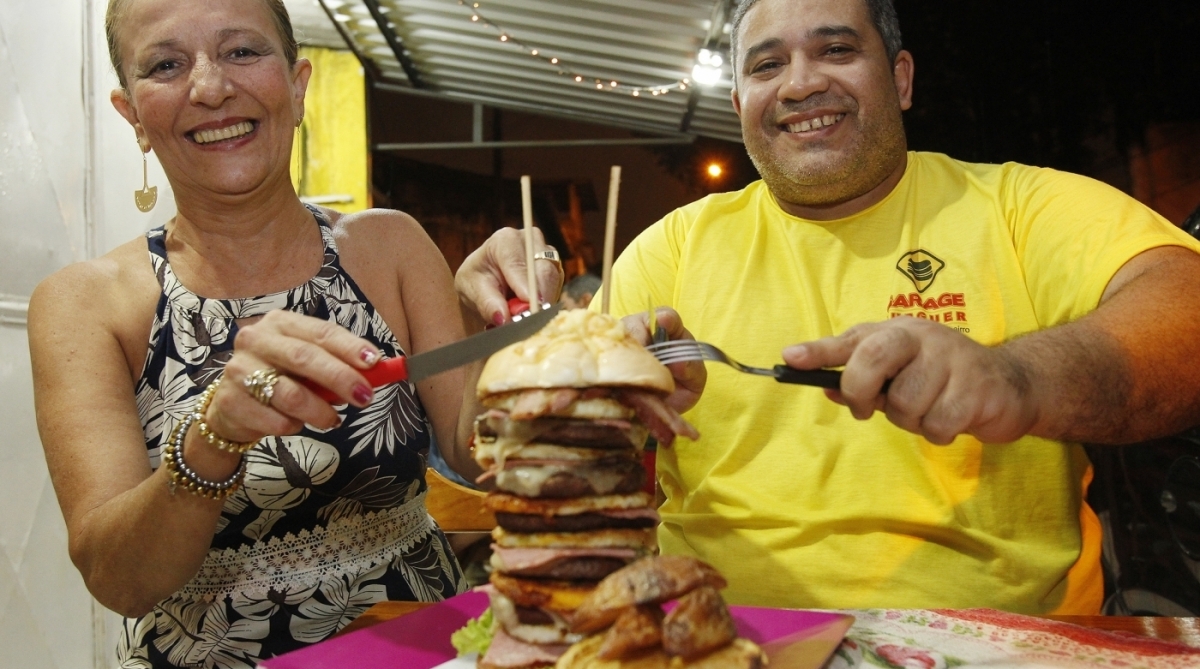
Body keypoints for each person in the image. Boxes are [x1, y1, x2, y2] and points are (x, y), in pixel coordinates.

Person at [601, 0, 1200, 615]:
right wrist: (547, 357)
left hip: (1000, 646)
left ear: (901, 79)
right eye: (767, 65)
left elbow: (1185, 302)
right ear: (739, 106)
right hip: (717, 638)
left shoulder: (1016, 206)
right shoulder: (673, 246)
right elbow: (542, 415)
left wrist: (1017, 377)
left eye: (836, 50)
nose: (801, 83)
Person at [27, 1, 560, 666]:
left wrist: (512, 334)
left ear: (298, 83)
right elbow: (120, 580)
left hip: (422, 645)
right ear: (132, 114)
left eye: (241, 52)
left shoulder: (390, 245)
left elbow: (481, 453)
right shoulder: (85, 304)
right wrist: (213, 437)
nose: (211, 87)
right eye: (166, 64)